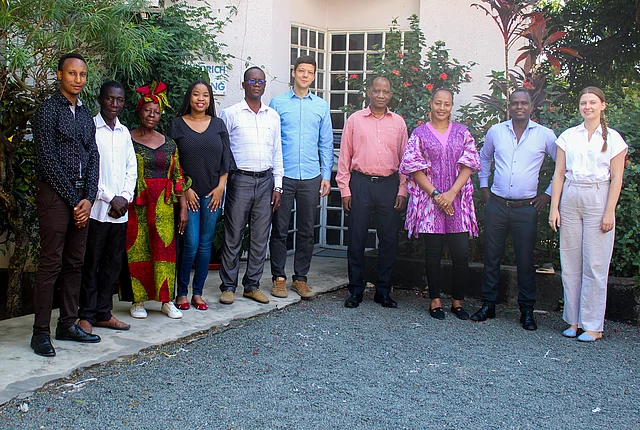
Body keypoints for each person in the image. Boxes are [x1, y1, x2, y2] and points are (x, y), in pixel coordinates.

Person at [30, 53, 101, 357]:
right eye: (72, 74)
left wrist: (89, 198)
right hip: (55, 197)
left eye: (82, 75)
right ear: (60, 75)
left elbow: (94, 156)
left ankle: (67, 324)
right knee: (51, 263)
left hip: (81, 199)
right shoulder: (47, 111)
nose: (77, 80)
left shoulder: (86, 114)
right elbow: (47, 159)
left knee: (75, 263)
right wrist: (75, 202)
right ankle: (40, 333)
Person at [471, 89, 557, 330]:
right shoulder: (496, 132)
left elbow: (562, 165)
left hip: (526, 208)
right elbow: (484, 158)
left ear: (532, 106)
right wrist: (484, 187)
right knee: (492, 257)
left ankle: (527, 311)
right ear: (509, 106)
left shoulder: (545, 135)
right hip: (497, 204)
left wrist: (547, 194)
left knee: (525, 260)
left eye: (524, 103)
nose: (519, 107)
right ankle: (488, 305)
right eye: (515, 103)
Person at [549, 87, 627, 342]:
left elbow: (616, 179)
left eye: (593, 102)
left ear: (603, 105)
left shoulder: (614, 139)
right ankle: (574, 320)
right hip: (571, 196)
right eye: (584, 102)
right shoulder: (569, 137)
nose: (588, 107)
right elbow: (559, 174)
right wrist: (554, 207)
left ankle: (593, 325)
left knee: (595, 263)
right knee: (570, 262)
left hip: (598, 196)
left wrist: (609, 212)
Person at [399, 88, 481, 320]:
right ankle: (435, 300)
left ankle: (457, 302)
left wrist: (452, 193)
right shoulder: (420, 133)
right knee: (432, 253)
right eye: (438, 103)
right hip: (429, 202)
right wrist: (437, 195)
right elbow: (414, 167)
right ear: (431, 104)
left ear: (452, 106)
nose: (442, 108)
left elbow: (470, 163)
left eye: (446, 104)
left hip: (458, 202)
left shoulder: (462, 132)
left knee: (461, 253)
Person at [336, 76, 408, 309]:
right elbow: (344, 156)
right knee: (356, 238)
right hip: (361, 184)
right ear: (369, 92)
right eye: (376, 90)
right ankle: (355, 290)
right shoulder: (355, 120)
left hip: (389, 184)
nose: (380, 95)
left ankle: (383, 291)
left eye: (385, 91)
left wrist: (402, 189)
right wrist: (345, 189)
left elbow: (406, 159)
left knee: (388, 240)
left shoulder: (398, 123)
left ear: (390, 95)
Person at [121, 82, 189, 319]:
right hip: (136, 203)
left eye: (156, 112)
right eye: (148, 110)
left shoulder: (169, 143)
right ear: (139, 111)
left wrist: (182, 209)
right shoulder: (125, 138)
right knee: (137, 250)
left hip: (164, 205)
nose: (152, 115)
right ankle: (138, 301)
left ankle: (166, 300)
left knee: (164, 251)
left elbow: (177, 175)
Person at [268, 55, 333, 300]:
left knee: (307, 229)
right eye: (301, 71)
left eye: (310, 72)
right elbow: (271, 142)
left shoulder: (321, 106)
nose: (305, 75)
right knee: (280, 228)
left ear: (314, 76)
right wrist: (274, 175)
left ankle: (300, 278)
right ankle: (278, 278)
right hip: (283, 176)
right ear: (293, 73)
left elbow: (326, 143)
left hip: (311, 176)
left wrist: (326, 175)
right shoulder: (278, 103)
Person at [218, 67, 283, 305]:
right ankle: (227, 286)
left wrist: (279, 186)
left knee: (259, 237)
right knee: (233, 235)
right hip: (240, 181)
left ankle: (252, 285)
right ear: (243, 84)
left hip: (266, 181)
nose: (257, 84)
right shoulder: (231, 114)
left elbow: (278, 152)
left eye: (261, 81)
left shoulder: (273, 116)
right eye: (252, 80)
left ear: (265, 85)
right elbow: (223, 152)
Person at [78, 81, 136, 334]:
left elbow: (131, 168)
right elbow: (87, 167)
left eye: (120, 100)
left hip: (119, 214)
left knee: (113, 265)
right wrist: (110, 197)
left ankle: (104, 312)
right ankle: (86, 315)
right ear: (101, 99)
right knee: (91, 264)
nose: (115, 104)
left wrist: (124, 197)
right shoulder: (90, 127)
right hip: (96, 211)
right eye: (110, 99)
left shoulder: (124, 132)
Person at [170, 81, 233, 311]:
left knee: (206, 245)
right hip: (189, 196)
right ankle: (181, 293)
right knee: (191, 243)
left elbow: (226, 159)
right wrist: (185, 190)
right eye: (196, 94)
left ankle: (198, 293)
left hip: (213, 194)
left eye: (205, 95)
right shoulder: (177, 125)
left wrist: (220, 187)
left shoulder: (218, 125)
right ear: (190, 97)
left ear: (210, 100)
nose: (200, 98)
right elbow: (172, 163)